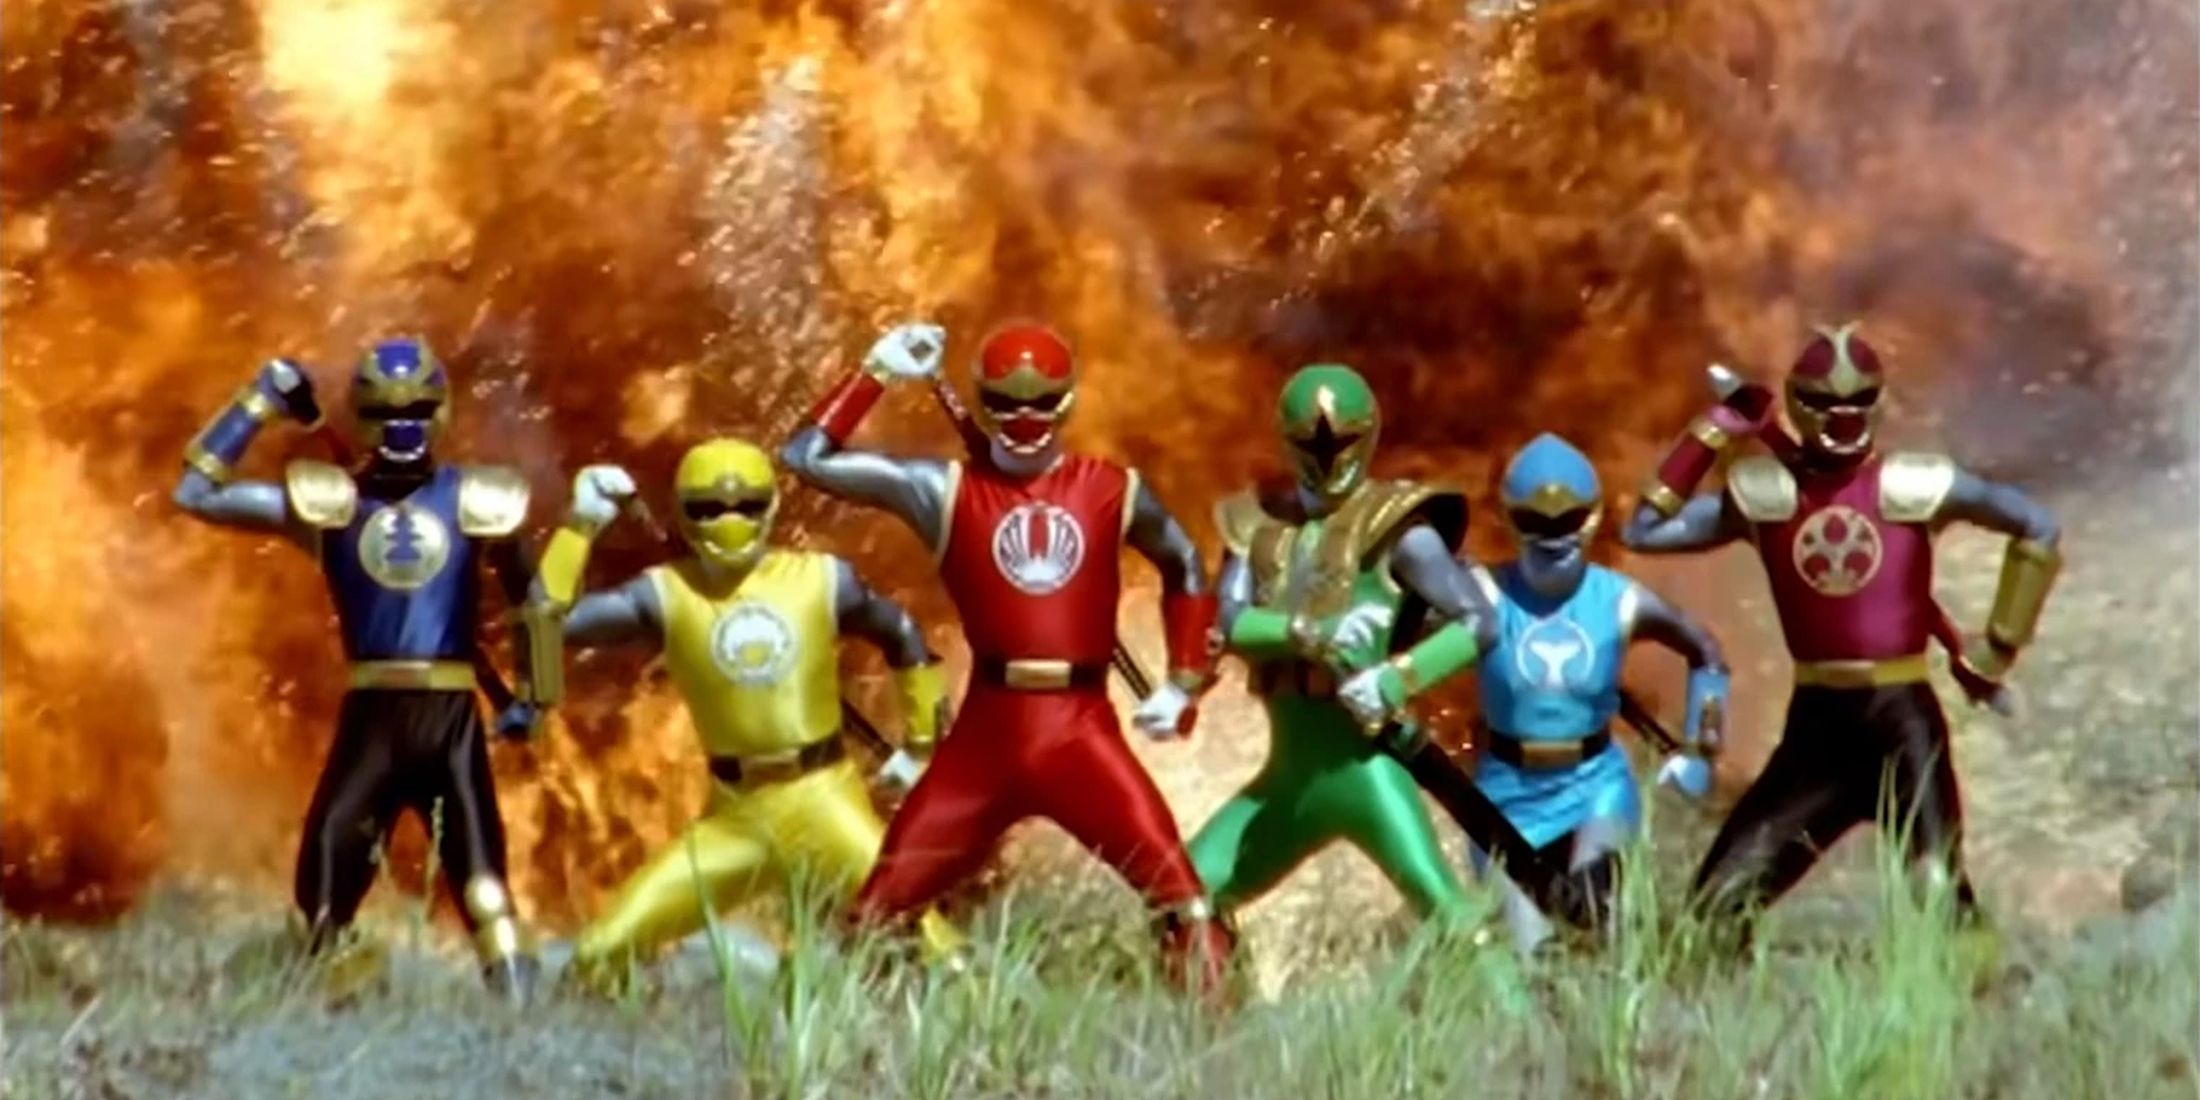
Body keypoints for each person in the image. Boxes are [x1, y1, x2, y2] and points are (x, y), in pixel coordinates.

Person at [780, 320, 1234, 997]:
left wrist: (1185, 678)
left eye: (1041, 401)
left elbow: (1185, 564)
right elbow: (806, 456)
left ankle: (1216, 1040)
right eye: (1005, 403)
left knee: (1186, 906)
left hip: (1081, 732)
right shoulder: (943, 490)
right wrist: (877, 370)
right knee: (874, 916)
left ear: (1067, 401)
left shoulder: (1112, 488)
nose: (1024, 419)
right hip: (984, 742)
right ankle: (839, 1044)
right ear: (983, 403)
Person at [1621, 323, 2062, 942]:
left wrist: (1997, 647)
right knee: (1713, 915)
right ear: (1799, 404)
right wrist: (1713, 429)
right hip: (1818, 733)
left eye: (1859, 401)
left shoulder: (1915, 485)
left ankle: (1984, 984)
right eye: (1825, 402)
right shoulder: (1766, 497)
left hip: (1900, 722)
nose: (1843, 416)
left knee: (1936, 889)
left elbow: (2037, 527)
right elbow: (1643, 530)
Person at [172, 339, 553, 997]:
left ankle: (524, 1016)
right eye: (386, 410)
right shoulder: (331, 504)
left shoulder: (477, 499)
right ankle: (333, 999)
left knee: (485, 888)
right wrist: (259, 400)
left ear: (440, 412)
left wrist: (535, 696)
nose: (403, 424)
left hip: (448, 720)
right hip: (373, 720)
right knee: (325, 882)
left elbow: (533, 603)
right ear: (363, 415)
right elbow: (196, 491)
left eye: (417, 409)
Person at [532, 438, 963, 993]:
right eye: (708, 508)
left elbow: (902, 634)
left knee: (936, 949)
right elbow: (548, 625)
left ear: (771, 507)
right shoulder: (666, 593)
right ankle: (671, 1026)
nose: (728, 521)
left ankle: (988, 1028)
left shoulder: (819, 579)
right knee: (599, 954)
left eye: (746, 505)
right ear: (683, 514)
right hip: (735, 818)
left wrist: (923, 743)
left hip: (824, 802)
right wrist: (580, 524)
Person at [1189, 363, 1495, 938]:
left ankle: (1520, 1000)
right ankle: (1221, 994)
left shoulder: (1399, 528)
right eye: (1312, 444)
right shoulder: (1256, 526)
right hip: (1287, 777)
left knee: (1450, 914)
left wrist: (1394, 679)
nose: (1328, 457)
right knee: (1186, 895)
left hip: (1365, 769)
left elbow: (1478, 621)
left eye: (1342, 442)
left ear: (1367, 434)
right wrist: (1308, 632)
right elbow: (1227, 621)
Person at [1465, 432, 1726, 953]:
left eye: (1567, 521)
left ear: (1590, 517)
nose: (1553, 537)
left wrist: (1701, 748)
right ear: (1510, 519)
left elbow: (1705, 651)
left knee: (1597, 913)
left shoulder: (1620, 599)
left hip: (1595, 785)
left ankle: (1623, 999)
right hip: (1503, 795)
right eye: (1536, 522)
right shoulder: (1480, 593)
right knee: (1528, 953)